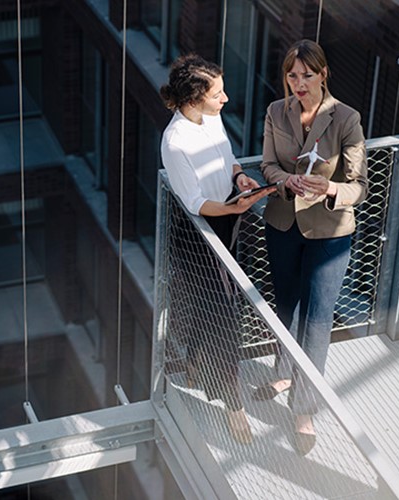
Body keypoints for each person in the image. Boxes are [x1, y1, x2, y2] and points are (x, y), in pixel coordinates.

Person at [257, 40, 368, 454]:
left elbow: (360, 187)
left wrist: (330, 187)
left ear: (323, 75)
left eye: (307, 75)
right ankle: (284, 371)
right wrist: (285, 180)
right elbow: (267, 165)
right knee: (286, 305)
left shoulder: (346, 119)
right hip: (283, 222)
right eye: (292, 75)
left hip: (329, 232)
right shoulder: (275, 112)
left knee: (318, 319)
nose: (298, 83)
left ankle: (303, 408)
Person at [160, 53, 276, 445]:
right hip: (201, 234)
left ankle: (195, 367)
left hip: (229, 218)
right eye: (217, 93)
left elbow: (226, 161)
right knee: (225, 316)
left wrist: (241, 178)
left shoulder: (210, 118)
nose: (225, 99)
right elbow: (193, 201)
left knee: (217, 308)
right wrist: (230, 207)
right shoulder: (175, 142)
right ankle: (233, 404)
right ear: (195, 97)